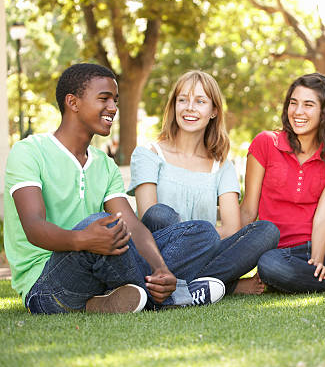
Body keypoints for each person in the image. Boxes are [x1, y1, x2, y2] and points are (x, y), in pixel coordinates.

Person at [3, 63, 224, 314]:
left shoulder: (105, 165)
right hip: (45, 284)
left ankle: (115, 298)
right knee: (102, 224)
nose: (113, 108)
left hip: (100, 265)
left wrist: (161, 267)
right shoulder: (29, 152)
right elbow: (34, 228)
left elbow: (132, 224)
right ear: (73, 103)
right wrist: (83, 239)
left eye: (115, 100)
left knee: (202, 233)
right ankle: (176, 295)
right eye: (104, 99)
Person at [128, 70, 279, 295]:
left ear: (213, 111)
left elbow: (231, 228)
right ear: (174, 106)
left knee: (267, 231)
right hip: (160, 254)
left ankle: (186, 286)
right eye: (183, 100)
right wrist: (198, 235)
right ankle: (222, 285)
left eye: (200, 101)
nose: (190, 107)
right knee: (161, 214)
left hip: (206, 250)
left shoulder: (222, 166)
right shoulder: (148, 154)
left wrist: (200, 238)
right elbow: (150, 218)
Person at [240, 73, 325, 293]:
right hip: (279, 251)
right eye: (293, 103)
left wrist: (317, 260)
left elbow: (324, 214)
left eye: (308, 105)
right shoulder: (266, 143)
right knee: (269, 266)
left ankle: (320, 279)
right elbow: (248, 210)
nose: (298, 111)